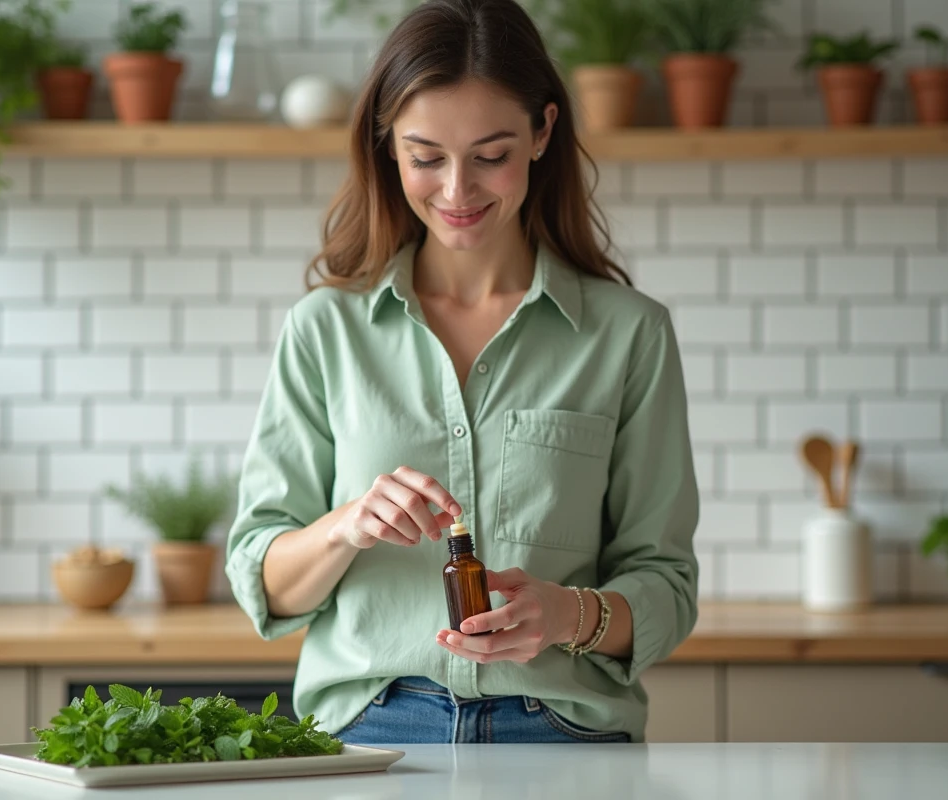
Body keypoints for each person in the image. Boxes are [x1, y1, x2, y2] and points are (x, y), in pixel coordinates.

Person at [226, 0, 700, 745]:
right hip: (369, 737)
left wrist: (568, 614)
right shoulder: (326, 329)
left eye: (490, 155)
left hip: (562, 732)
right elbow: (265, 582)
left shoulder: (629, 334)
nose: (456, 191)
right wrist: (346, 526)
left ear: (543, 132)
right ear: (387, 146)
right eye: (426, 157)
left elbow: (667, 585)